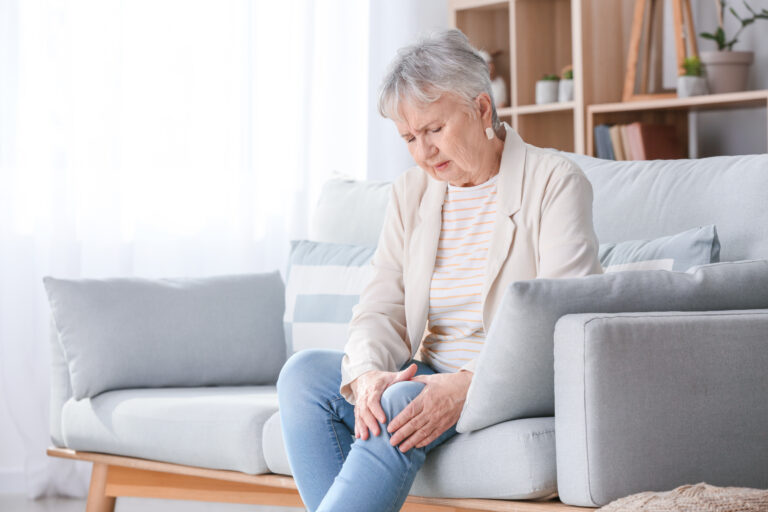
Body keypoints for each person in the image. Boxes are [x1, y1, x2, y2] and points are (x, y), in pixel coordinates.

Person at [277, 28, 603, 512]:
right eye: (409, 137)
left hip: (506, 381)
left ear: (482, 110)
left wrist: (468, 384)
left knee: (399, 402)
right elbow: (380, 308)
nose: (423, 151)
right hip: (428, 370)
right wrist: (367, 374)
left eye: (433, 130)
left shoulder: (554, 183)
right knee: (303, 376)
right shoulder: (411, 194)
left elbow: (564, 321)